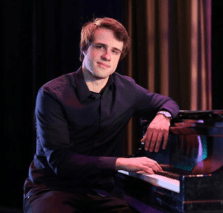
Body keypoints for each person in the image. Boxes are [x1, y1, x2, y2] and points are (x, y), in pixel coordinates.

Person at [23, 17, 179, 213]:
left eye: (115, 51)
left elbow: (167, 102)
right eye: (100, 47)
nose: (107, 56)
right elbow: (61, 162)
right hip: (53, 188)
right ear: (84, 49)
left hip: (102, 192)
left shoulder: (127, 89)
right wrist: (121, 163)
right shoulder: (52, 94)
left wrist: (163, 116)